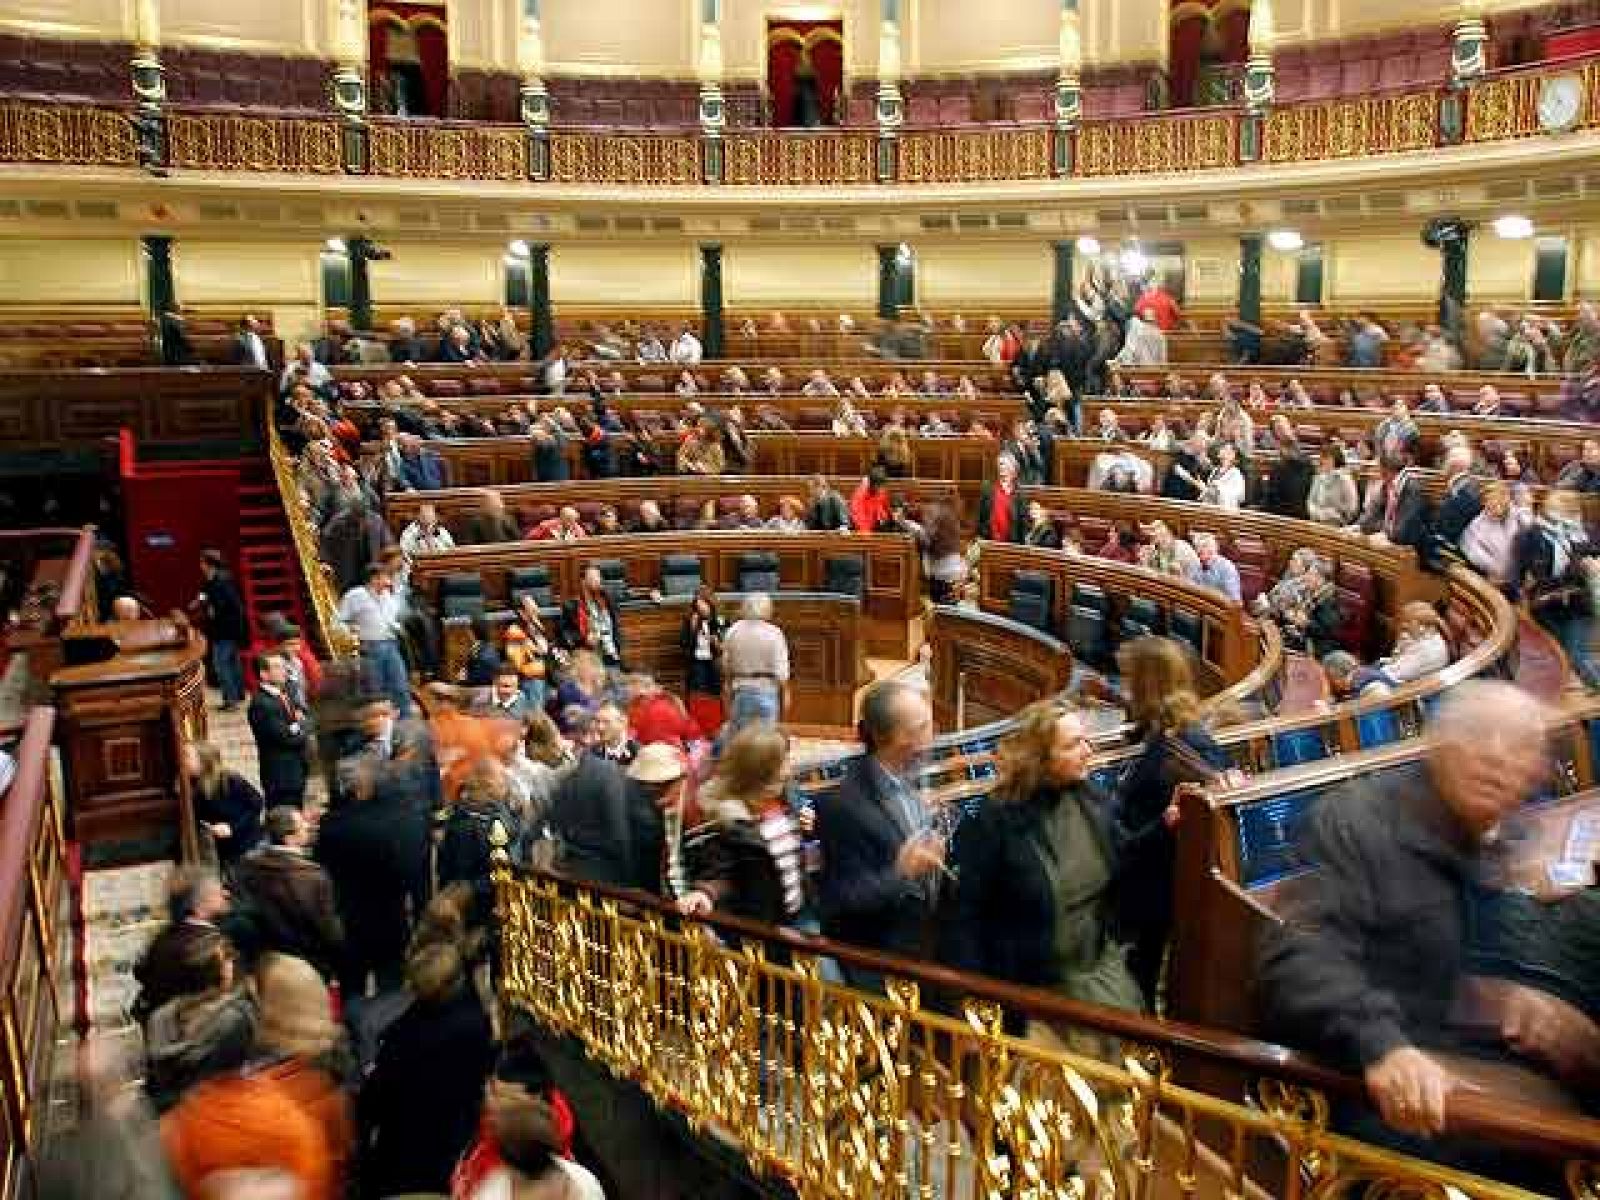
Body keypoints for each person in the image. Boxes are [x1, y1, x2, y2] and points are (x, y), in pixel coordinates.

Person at [1255, 684, 1565, 1160]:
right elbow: (1300, 959)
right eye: (1480, 735)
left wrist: (1527, 1003)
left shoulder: (1507, 839)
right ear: (1437, 742)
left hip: (1471, 1075)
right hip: (1372, 1088)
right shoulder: (1354, 822)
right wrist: (1381, 1044)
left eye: (1520, 746)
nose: (1498, 758)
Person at [942, 700, 1142, 1016]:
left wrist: (1167, 826)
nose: (1088, 750)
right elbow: (966, 916)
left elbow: (1127, 858)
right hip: (1031, 994)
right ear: (1041, 759)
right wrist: (971, 1003)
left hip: (1101, 979)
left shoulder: (1091, 799)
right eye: (1073, 745)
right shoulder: (995, 820)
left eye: (1085, 740)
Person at [1110, 637, 1230, 1007]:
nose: (1124, 689)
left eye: (1129, 681)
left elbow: (1180, 824)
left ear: (1147, 684)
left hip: (1154, 887)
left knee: (1139, 976)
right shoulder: (1169, 733)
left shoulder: (1185, 746)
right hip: (1148, 875)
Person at [814, 681, 942, 977]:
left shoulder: (916, 780)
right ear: (893, 737)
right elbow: (840, 900)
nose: (932, 734)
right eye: (922, 727)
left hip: (926, 950)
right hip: (879, 964)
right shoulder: (843, 806)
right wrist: (901, 873)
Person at [361, 939, 497, 1198]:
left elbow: (375, 1098)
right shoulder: (475, 1026)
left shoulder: (402, 1034)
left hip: (402, 1157)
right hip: (450, 1154)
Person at [314, 756, 429, 1000]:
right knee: (391, 984)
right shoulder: (401, 821)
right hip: (390, 917)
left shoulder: (333, 825)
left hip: (348, 918)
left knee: (352, 986)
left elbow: (322, 869)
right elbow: (412, 874)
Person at [679, 725, 806, 928]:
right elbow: (722, 872)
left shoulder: (783, 800)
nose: (788, 770)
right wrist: (706, 893)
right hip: (759, 932)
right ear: (761, 770)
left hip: (794, 918)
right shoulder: (728, 820)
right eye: (783, 762)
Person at [230, 807, 344, 980]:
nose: (308, 826)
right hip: (308, 964)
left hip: (266, 963)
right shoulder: (312, 877)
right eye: (301, 825)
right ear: (289, 838)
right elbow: (328, 929)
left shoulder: (246, 868)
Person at [1514, 487, 1598, 681]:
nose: (1572, 516)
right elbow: (1524, 573)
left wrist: (1582, 570)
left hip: (1578, 605)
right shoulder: (1530, 536)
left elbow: (1584, 570)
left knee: (1577, 656)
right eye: (1565, 510)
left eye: (1573, 511)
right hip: (1546, 607)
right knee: (1556, 654)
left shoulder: (1584, 535)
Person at [546, 710, 634, 887]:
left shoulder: (561, 772)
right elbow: (618, 829)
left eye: (605, 722)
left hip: (579, 867)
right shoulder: (598, 770)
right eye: (597, 722)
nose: (601, 728)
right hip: (602, 871)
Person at [337, 563, 411, 716]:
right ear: (374, 578)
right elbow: (337, 622)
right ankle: (381, 725)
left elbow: (390, 620)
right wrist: (350, 631)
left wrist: (397, 627)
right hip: (369, 647)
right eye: (386, 576)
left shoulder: (388, 596)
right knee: (376, 690)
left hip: (391, 645)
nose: (389, 580)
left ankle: (405, 722)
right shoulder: (355, 595)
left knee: (400, 686)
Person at [183, 741, 264, 869]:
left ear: (204, 761)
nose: (182, 760)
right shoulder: (191, 784)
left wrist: (232, 827)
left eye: (187, 756)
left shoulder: (229, 780)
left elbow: (256, 803)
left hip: (247, 843)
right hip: (224, 848)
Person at [248, 653, 311, 809]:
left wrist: (298, 727)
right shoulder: (262, 704)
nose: (285, 671)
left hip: (295, 770)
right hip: (280, 776)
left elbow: (296, 725)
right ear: (263, 674)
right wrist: (304, 727)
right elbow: (287, 738)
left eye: (284, 666)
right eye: (278, 667)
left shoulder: (282, 694)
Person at [721, 593, 790, 731]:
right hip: (766, 693)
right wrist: (785, 701)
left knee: (741, 742)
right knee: (764, 744)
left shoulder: (733, 631)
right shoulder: (774, 633)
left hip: (739, 693)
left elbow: (726, 668)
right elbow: (782, 675)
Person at [194, 549, 249, 711]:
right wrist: (200, 601)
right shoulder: (216, 579)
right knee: (233, 662)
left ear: (208, 564)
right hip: (230, 628)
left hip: (225, 629)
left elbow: (221, 605)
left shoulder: (221, 582)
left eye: (202, 562)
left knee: (221, 664)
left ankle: (230, 701)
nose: (200, 565)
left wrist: (209, 607)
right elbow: (205, 595)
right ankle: (238, 694)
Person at [1460, 480, 1530, 590]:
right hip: (1493, 579)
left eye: (1499, 503)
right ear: (1484, 503)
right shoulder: (1477, 524)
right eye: (1490, 504)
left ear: (1507, 500)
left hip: (1520, 576)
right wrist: (1493, 568)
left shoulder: (1520, 517)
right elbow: (1471, 550)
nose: (1495, 508)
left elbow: (1531, 540)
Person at [681, 584, 726, 733]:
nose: (700, 606)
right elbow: (684, 644)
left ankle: (714, 728)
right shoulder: (690, 619)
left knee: (714, 696)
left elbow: (725, 646)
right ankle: (696, 730)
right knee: (697, 697)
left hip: (713, 663)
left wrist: (715, 641)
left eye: (703, 602)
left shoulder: (720, 620)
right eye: (697, 602)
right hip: (697, 663)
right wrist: (693, 630)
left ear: (710, 603)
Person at [1307, 444, 1360, 527]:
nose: (1322, 460)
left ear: (1335, 459)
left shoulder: (1345, 479)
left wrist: (1333, 514)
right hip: (1317, 521)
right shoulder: (1318, 477)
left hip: (1337, 524)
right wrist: (1317, 513)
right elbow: (1310, 501)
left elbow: (1352, 508)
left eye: (1326, 457)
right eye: (1322, 457)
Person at [976, 455, 1025, 543]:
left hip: (1011, 543)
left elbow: (1021, 521)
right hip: (989, 540)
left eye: (1005, 465)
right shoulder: (988, 488)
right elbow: (981, 515)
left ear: (1013, 469)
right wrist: (980, 536)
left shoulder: (1019, 492)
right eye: (1000, 465)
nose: (1002, 467)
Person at [1186, 532, 1242, 604]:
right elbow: (1190, 589)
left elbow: (1236, 602)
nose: (1204, 557)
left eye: (1210, 552)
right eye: (1200, 552)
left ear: (1216, 549)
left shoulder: (1227, 568)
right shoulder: (1194, 564)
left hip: (1221, 608)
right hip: (1199, 605)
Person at [849, 466, 892, 533]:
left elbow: (887, 511)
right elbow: (858, 520)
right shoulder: (859, 495)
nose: (880, 488)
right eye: (879, 486)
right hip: (864, 532)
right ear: (872, 484)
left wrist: (884, 517)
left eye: (882, 485)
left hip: (879, 529)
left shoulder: (882, 493)